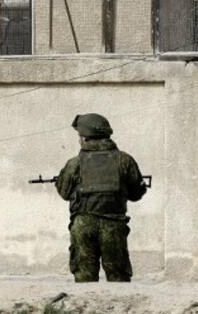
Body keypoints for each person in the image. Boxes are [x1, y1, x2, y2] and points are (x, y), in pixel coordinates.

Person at [55, 113, 147, 282]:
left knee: (84, 279)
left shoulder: (74, 163)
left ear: (84, 137)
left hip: (83, 226)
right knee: (119, 279)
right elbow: (137, 194)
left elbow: (65, 193)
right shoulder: (124, 160)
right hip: (114, 225)